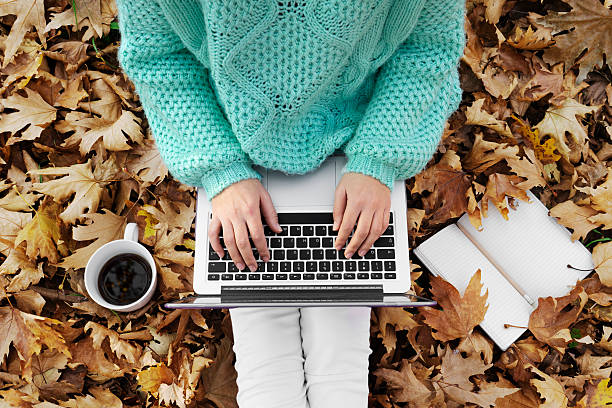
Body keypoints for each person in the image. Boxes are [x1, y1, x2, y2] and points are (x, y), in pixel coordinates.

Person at [116, 0, 466, 406]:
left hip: (356, 142)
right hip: (233, 146)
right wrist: (221, 171)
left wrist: (377, 159)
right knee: (268, 373)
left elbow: (428, 50)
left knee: (340, 372)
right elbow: (159, 58)